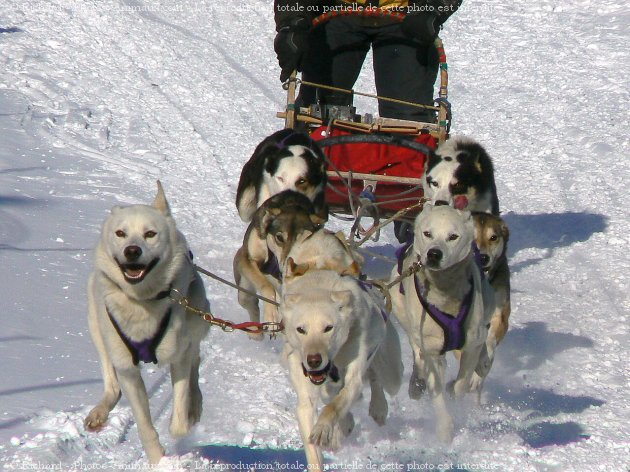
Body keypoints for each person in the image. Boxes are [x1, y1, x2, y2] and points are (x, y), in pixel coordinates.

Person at [273, 0, 462, 123]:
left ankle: (406, 177)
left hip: (409, 15)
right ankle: (313, 176)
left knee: (409, 119)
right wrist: (292, 20)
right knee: (317, 111)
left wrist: (434, 8)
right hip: (337, 9)